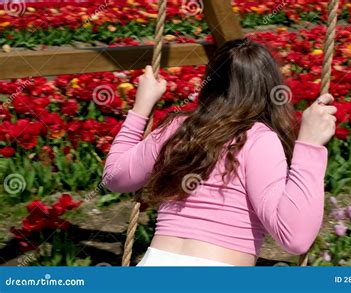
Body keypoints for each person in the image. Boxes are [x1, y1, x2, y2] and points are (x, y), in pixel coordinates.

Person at [102, 38, 337, 266]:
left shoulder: (179, 129)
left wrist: (140, 108)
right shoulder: (259, 140)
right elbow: (295, 238)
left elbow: (114, 178)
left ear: (210, 83)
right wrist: (309, 145)